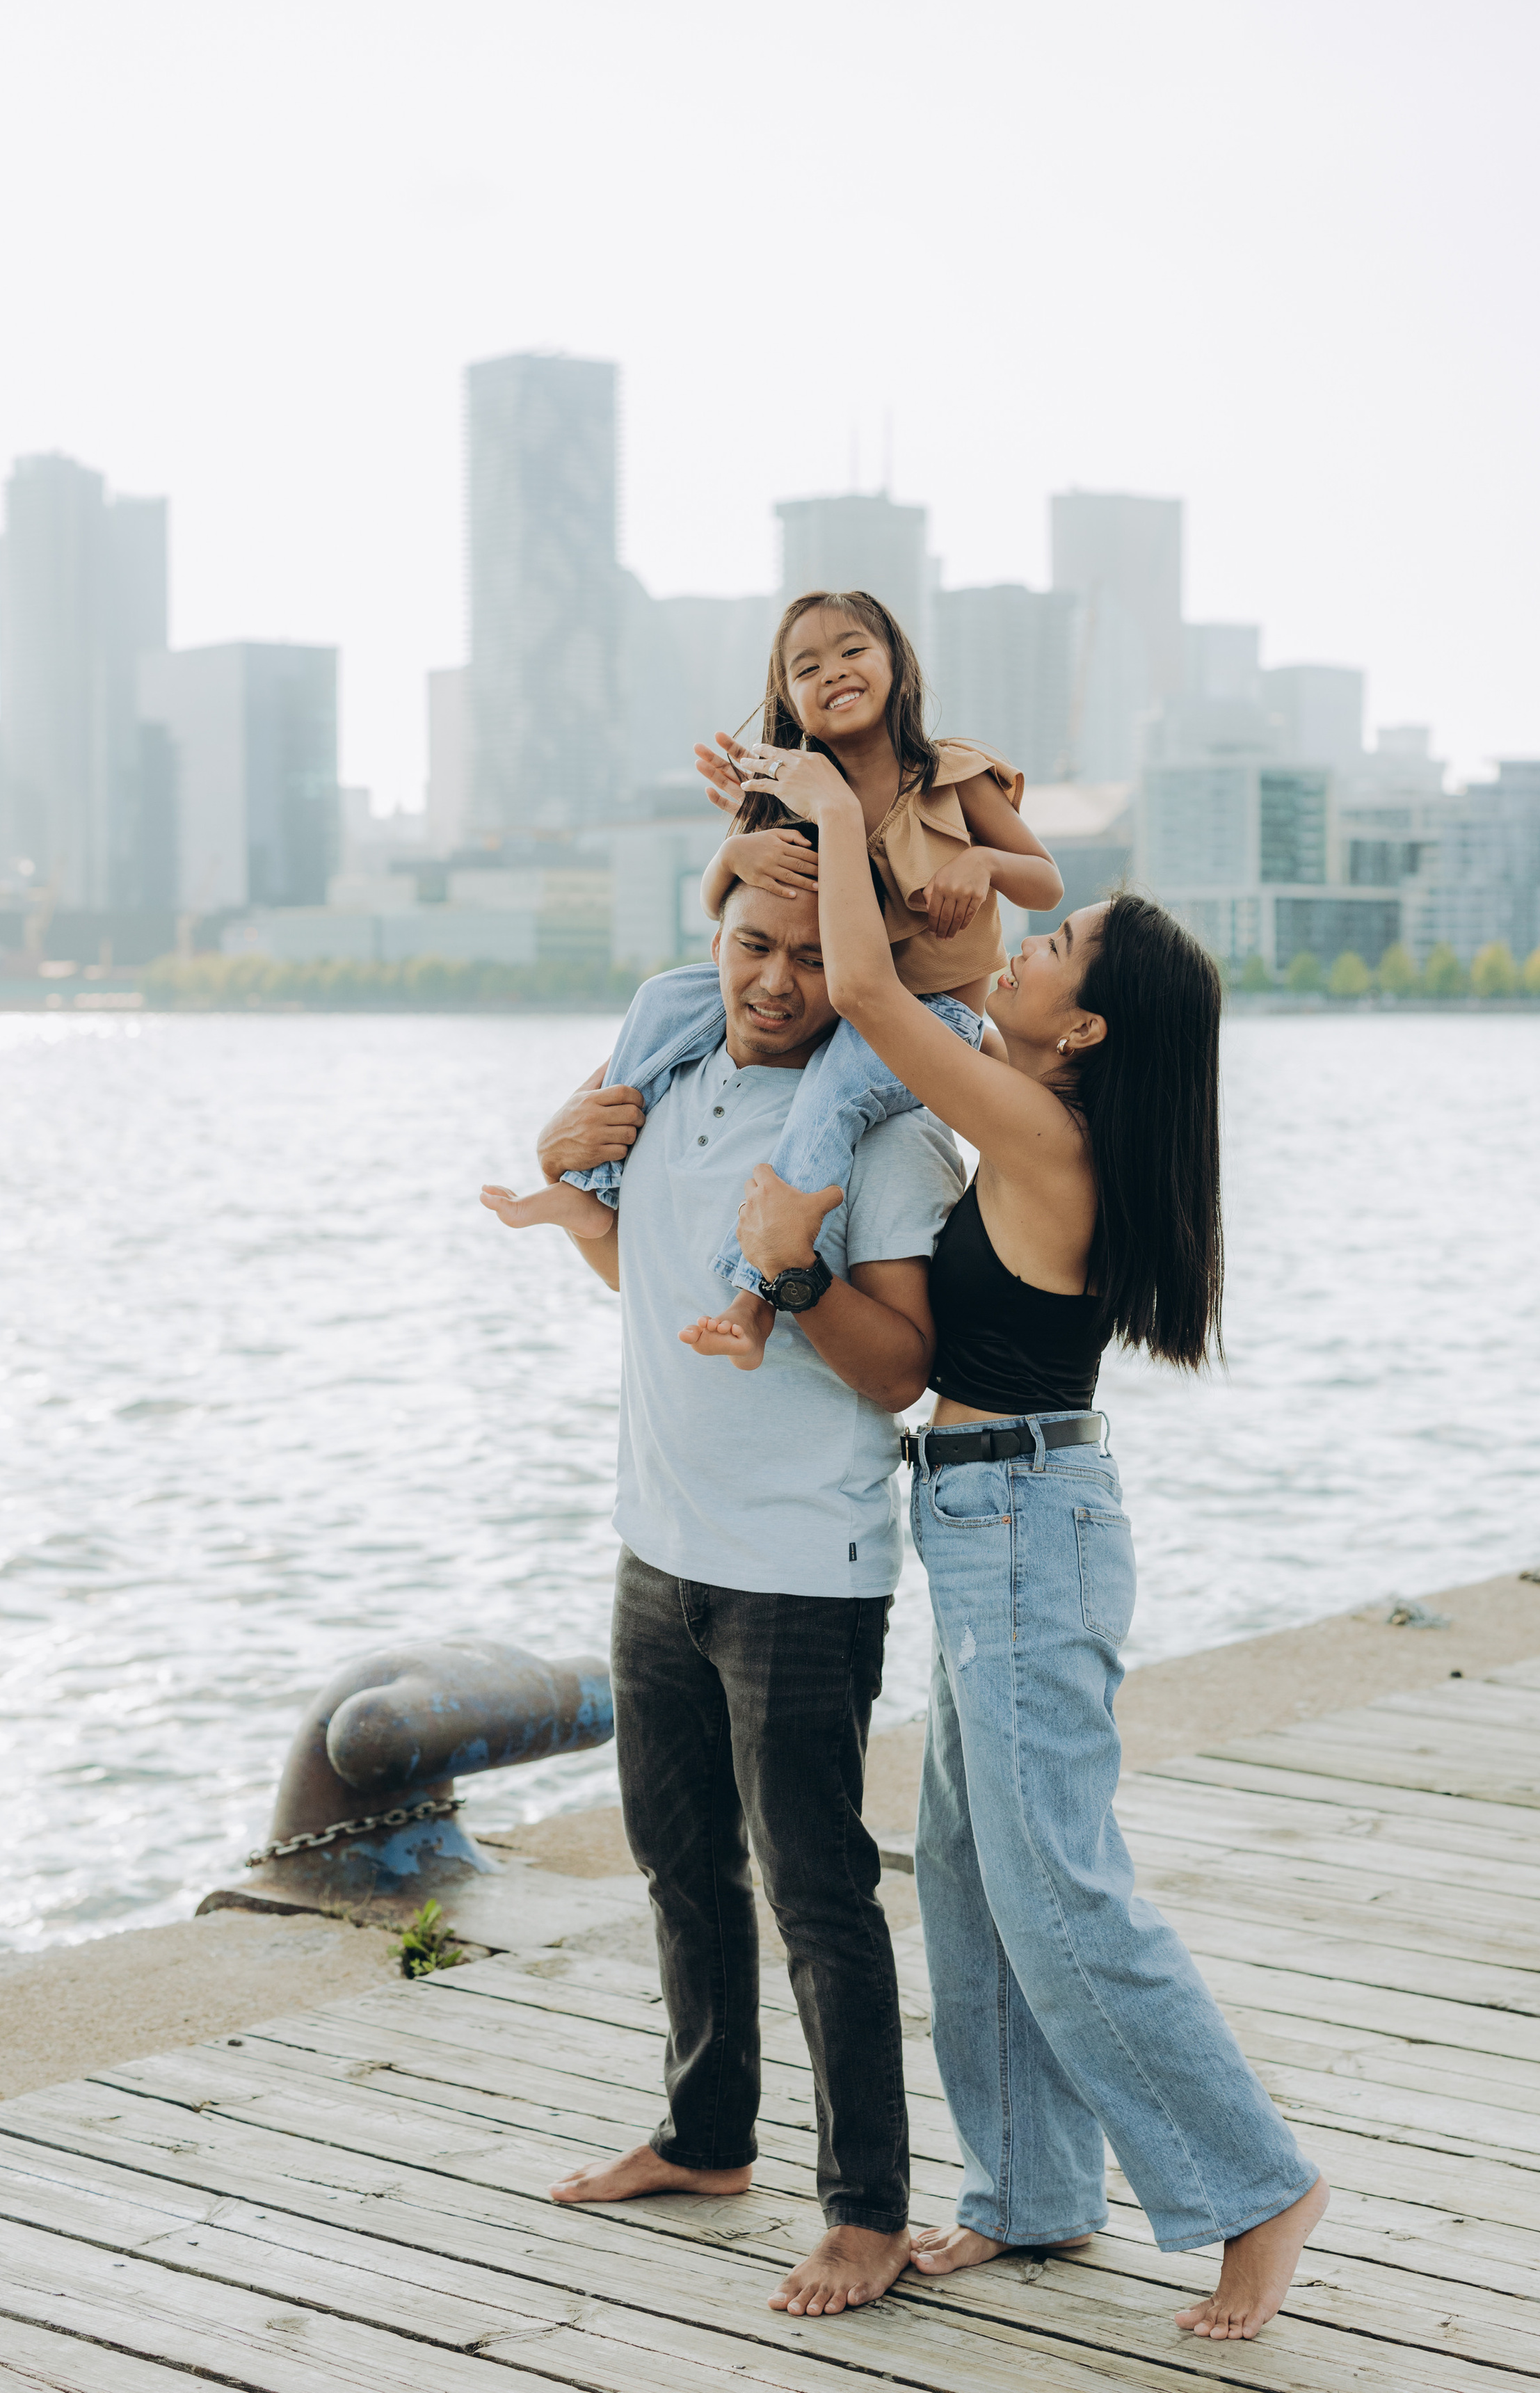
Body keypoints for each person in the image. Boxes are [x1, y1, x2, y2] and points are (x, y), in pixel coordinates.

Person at [736, 735, 1331, 2348]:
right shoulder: (1041, 1125)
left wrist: (841, 809)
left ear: (1078, 1033)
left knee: (1057, 1891)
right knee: (973, 1886)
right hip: (993, 1514)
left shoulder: (1043, 1132)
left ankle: (1253, 2185)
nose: (1014, 943)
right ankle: (1029, 2190)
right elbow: (912, 966)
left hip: (1023, 1524)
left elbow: (868, 996)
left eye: (1049, 947)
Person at [524, 870, 966, 2319]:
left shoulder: (884, 1132)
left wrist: (782, 1279)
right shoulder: (667, 1081)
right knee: (678, 1861)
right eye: (748, 947)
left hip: (799, 1570)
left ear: (857, 965)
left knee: (816, 1892)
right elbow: (627, 1275)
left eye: (806, 955)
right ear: (709, 942)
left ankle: (865, 2213)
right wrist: (562, 1165)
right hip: (657, 1547)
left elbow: (904, 1370)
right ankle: (709, 2140)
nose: (775, 981)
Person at [479, 588, 1061, 1371]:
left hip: (929, 1025)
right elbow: (740, 923)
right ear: (786, 699)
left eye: (853, 651)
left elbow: (1046, 883)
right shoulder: (786, 793)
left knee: (829, 1099)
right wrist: (729, 856)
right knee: (664, 998)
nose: (834, 673)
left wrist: (985, 861)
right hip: (838, 1007)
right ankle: (597, 1183)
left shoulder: (952, 776)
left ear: (896, 664)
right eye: (805, 667)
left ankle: (754, 1297)